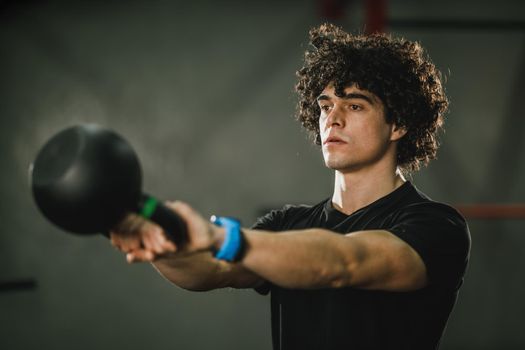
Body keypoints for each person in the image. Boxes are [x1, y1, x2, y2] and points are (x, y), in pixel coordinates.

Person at [110, 23, 471, 350]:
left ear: (399, 125)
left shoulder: (436, 226)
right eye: (325, 105)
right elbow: (210, 270)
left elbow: (344, 262)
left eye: (355, 106)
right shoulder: (288, 224)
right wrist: (156, 240)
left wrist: (223, 238)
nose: (334, 118)